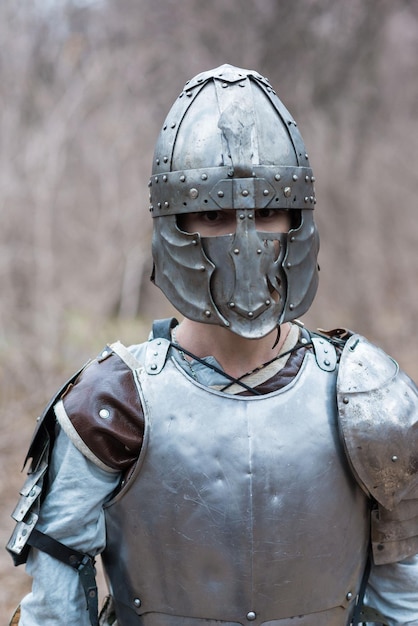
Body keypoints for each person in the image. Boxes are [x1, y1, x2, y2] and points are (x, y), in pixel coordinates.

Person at [7, 64, 418, 626]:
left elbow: (403, 601)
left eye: (268, 211)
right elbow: (55, 611)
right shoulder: (114, 404)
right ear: (172, 224)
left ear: (298, 220)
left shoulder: (369, 398)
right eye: (213, 215)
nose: (243, 241)